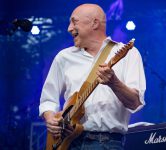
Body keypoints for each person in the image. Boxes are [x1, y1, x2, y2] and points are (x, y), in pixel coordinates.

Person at [39, 3, 146, 150]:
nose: (69, 28)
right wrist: (51, 118)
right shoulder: (63, 57)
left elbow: (135, 103)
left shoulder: (128, 54)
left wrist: (114, 82)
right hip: (69, 142)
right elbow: (48, 100)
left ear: (94, 23)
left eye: (74, 21)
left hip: (108, 143)